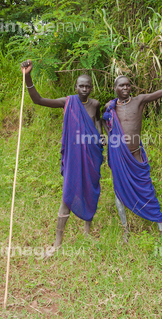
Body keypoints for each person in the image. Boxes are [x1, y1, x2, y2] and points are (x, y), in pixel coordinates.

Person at [103, 47, 162, 246]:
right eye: (121, 86)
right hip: (119, 157)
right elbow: (105, 127)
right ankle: (126, 231)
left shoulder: (139, 101)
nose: (125, 88)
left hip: (135, 155)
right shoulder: (111, 107)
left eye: (127, 85)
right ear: (115, 89)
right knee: (118, 192)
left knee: (148, 190)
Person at [21, 60, 104, 257]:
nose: (84, 89)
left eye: (88, 86)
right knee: (69, 193)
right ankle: (58, 243)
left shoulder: (95, 104)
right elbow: (38, 100)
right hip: (75, 157)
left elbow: (98, 122)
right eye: (81, 85)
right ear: (75, 87)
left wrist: (101, 136)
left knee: (90, 190)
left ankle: (86, 232)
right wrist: (27, 76)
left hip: (92, 155)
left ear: (92, 88)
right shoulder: (68, 102)